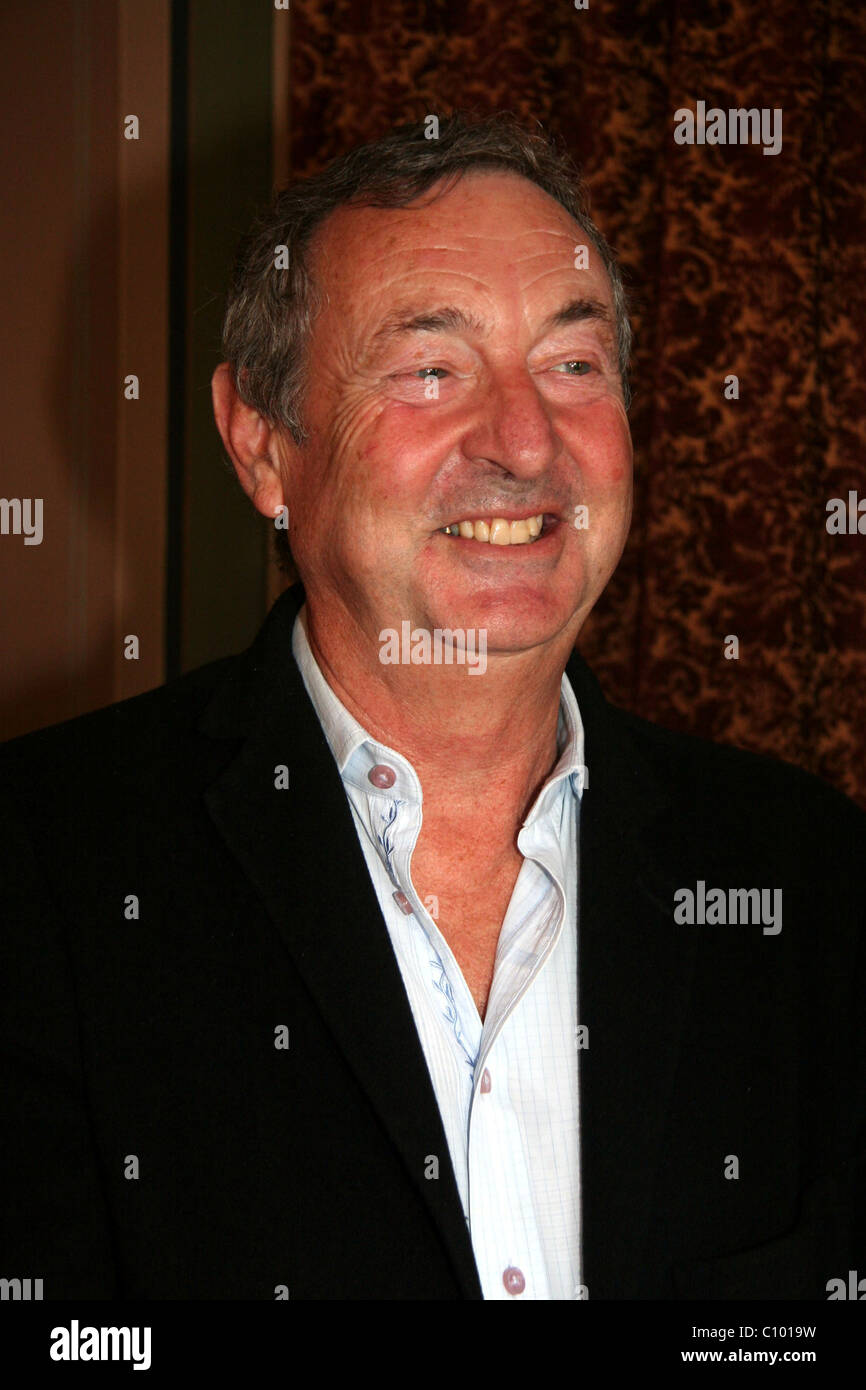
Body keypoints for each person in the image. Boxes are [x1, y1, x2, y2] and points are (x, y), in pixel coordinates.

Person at [1, 113, 863, 1301]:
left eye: (572, 364)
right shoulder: (43, 874)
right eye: (428, 370)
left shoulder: (810, 876)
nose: (523, 440)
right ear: (261, 443)